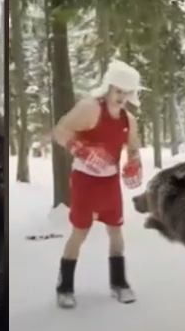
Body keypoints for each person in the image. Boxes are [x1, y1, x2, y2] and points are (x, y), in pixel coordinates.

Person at [52, 60, 144, 309]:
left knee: (116, 230)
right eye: (118, 91)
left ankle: (119, 283)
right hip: (84, 180)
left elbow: (132, 146)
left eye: (127, 92)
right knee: (80, 232)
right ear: (108, 88)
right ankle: (65, 286)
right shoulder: (90, 108)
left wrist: (134, 162)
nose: (121, 97)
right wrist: (80, 149)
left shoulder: (128, 119)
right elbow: (60, 131)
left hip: (110, 181)